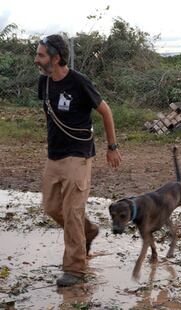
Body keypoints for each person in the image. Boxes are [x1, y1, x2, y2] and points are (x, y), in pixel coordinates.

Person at [34, 34, 122, 287]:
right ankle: (89, 230)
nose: (36, 59)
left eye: (41, 55)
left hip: (79, 155)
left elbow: (106, 111)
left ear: (56, 58)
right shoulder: (45, 83)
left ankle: (75, 268)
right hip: (54, 156)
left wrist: (112, 147)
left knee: (72, 211)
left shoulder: (80, 82)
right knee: (52, 208)